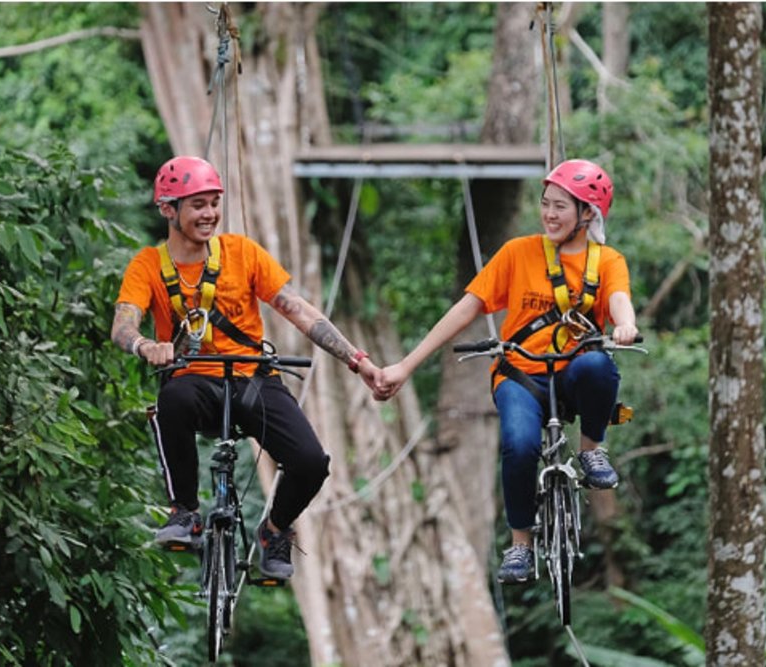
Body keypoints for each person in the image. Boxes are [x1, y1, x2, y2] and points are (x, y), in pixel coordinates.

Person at [112, 156, 380, 580]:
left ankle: (274, 530)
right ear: (168, 209)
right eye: (197, 204)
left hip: (252, 377)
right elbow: (124, 323)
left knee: (311, 461)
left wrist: (356, 359)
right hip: (194, 379)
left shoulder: (241, 252)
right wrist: (146, 345)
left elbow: (296, 309)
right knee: (171, 402)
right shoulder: (148, 265)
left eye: (214, 203)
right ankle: (184, 512)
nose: (209, 214)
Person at [375, 159, 639, 583]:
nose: (549, 214)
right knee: (519, 446)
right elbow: (468, 308)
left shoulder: (606, 261)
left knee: (598, 365)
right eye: (545, 204)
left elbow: (618, 298)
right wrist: (406, 366)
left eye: (561, 207)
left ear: (588, 214)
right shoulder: (518, 253)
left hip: (573, 373)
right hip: (521, 374)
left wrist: (625, 323)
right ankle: (521, 545)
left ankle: (591, 450)